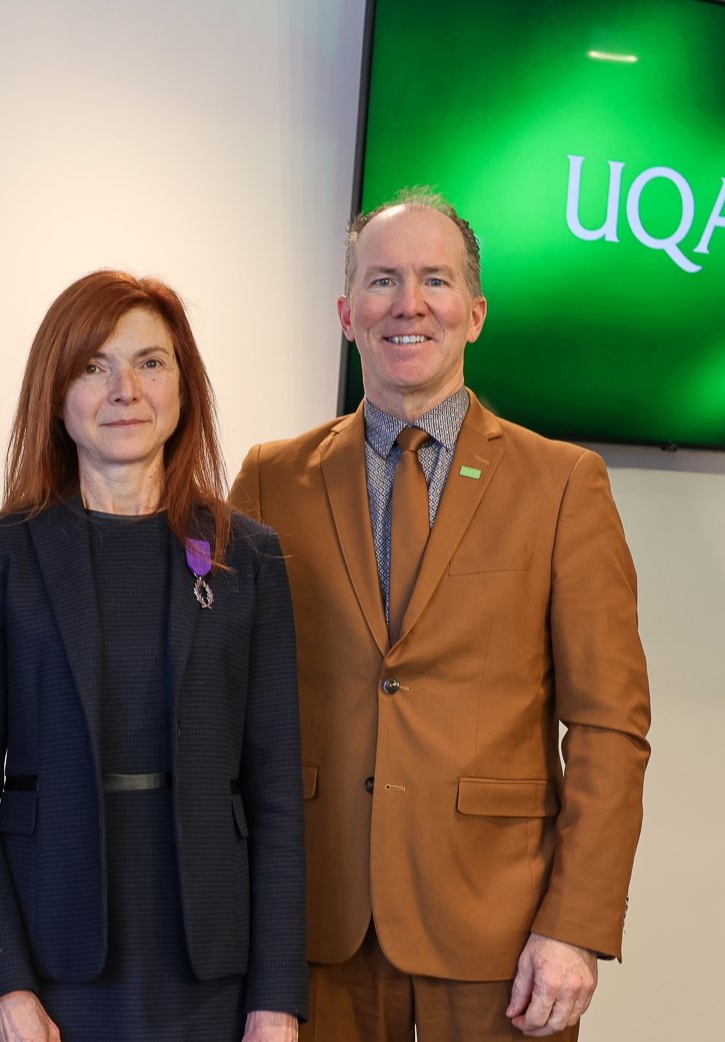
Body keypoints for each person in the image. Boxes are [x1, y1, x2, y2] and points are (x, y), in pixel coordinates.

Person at [229, 189, 651, 1042]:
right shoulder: (269, 480)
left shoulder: (563, 484)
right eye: (383, 280)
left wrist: (575, 925)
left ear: (475, 313)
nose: (409, 304)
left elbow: (609, 726)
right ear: (347, 313)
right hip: (313, 925)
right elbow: (219, 704)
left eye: (436, 280)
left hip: (503, 931)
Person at [0, 270, 307, 1042]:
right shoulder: (1, 556)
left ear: (183, 385)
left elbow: (276, 792)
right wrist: (1, 987)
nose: (124, 389)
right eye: (93, 366)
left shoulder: (248, 557)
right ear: (56, 392)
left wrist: (277, 997)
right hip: (48, 966)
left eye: (150, 362)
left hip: (213, 969)